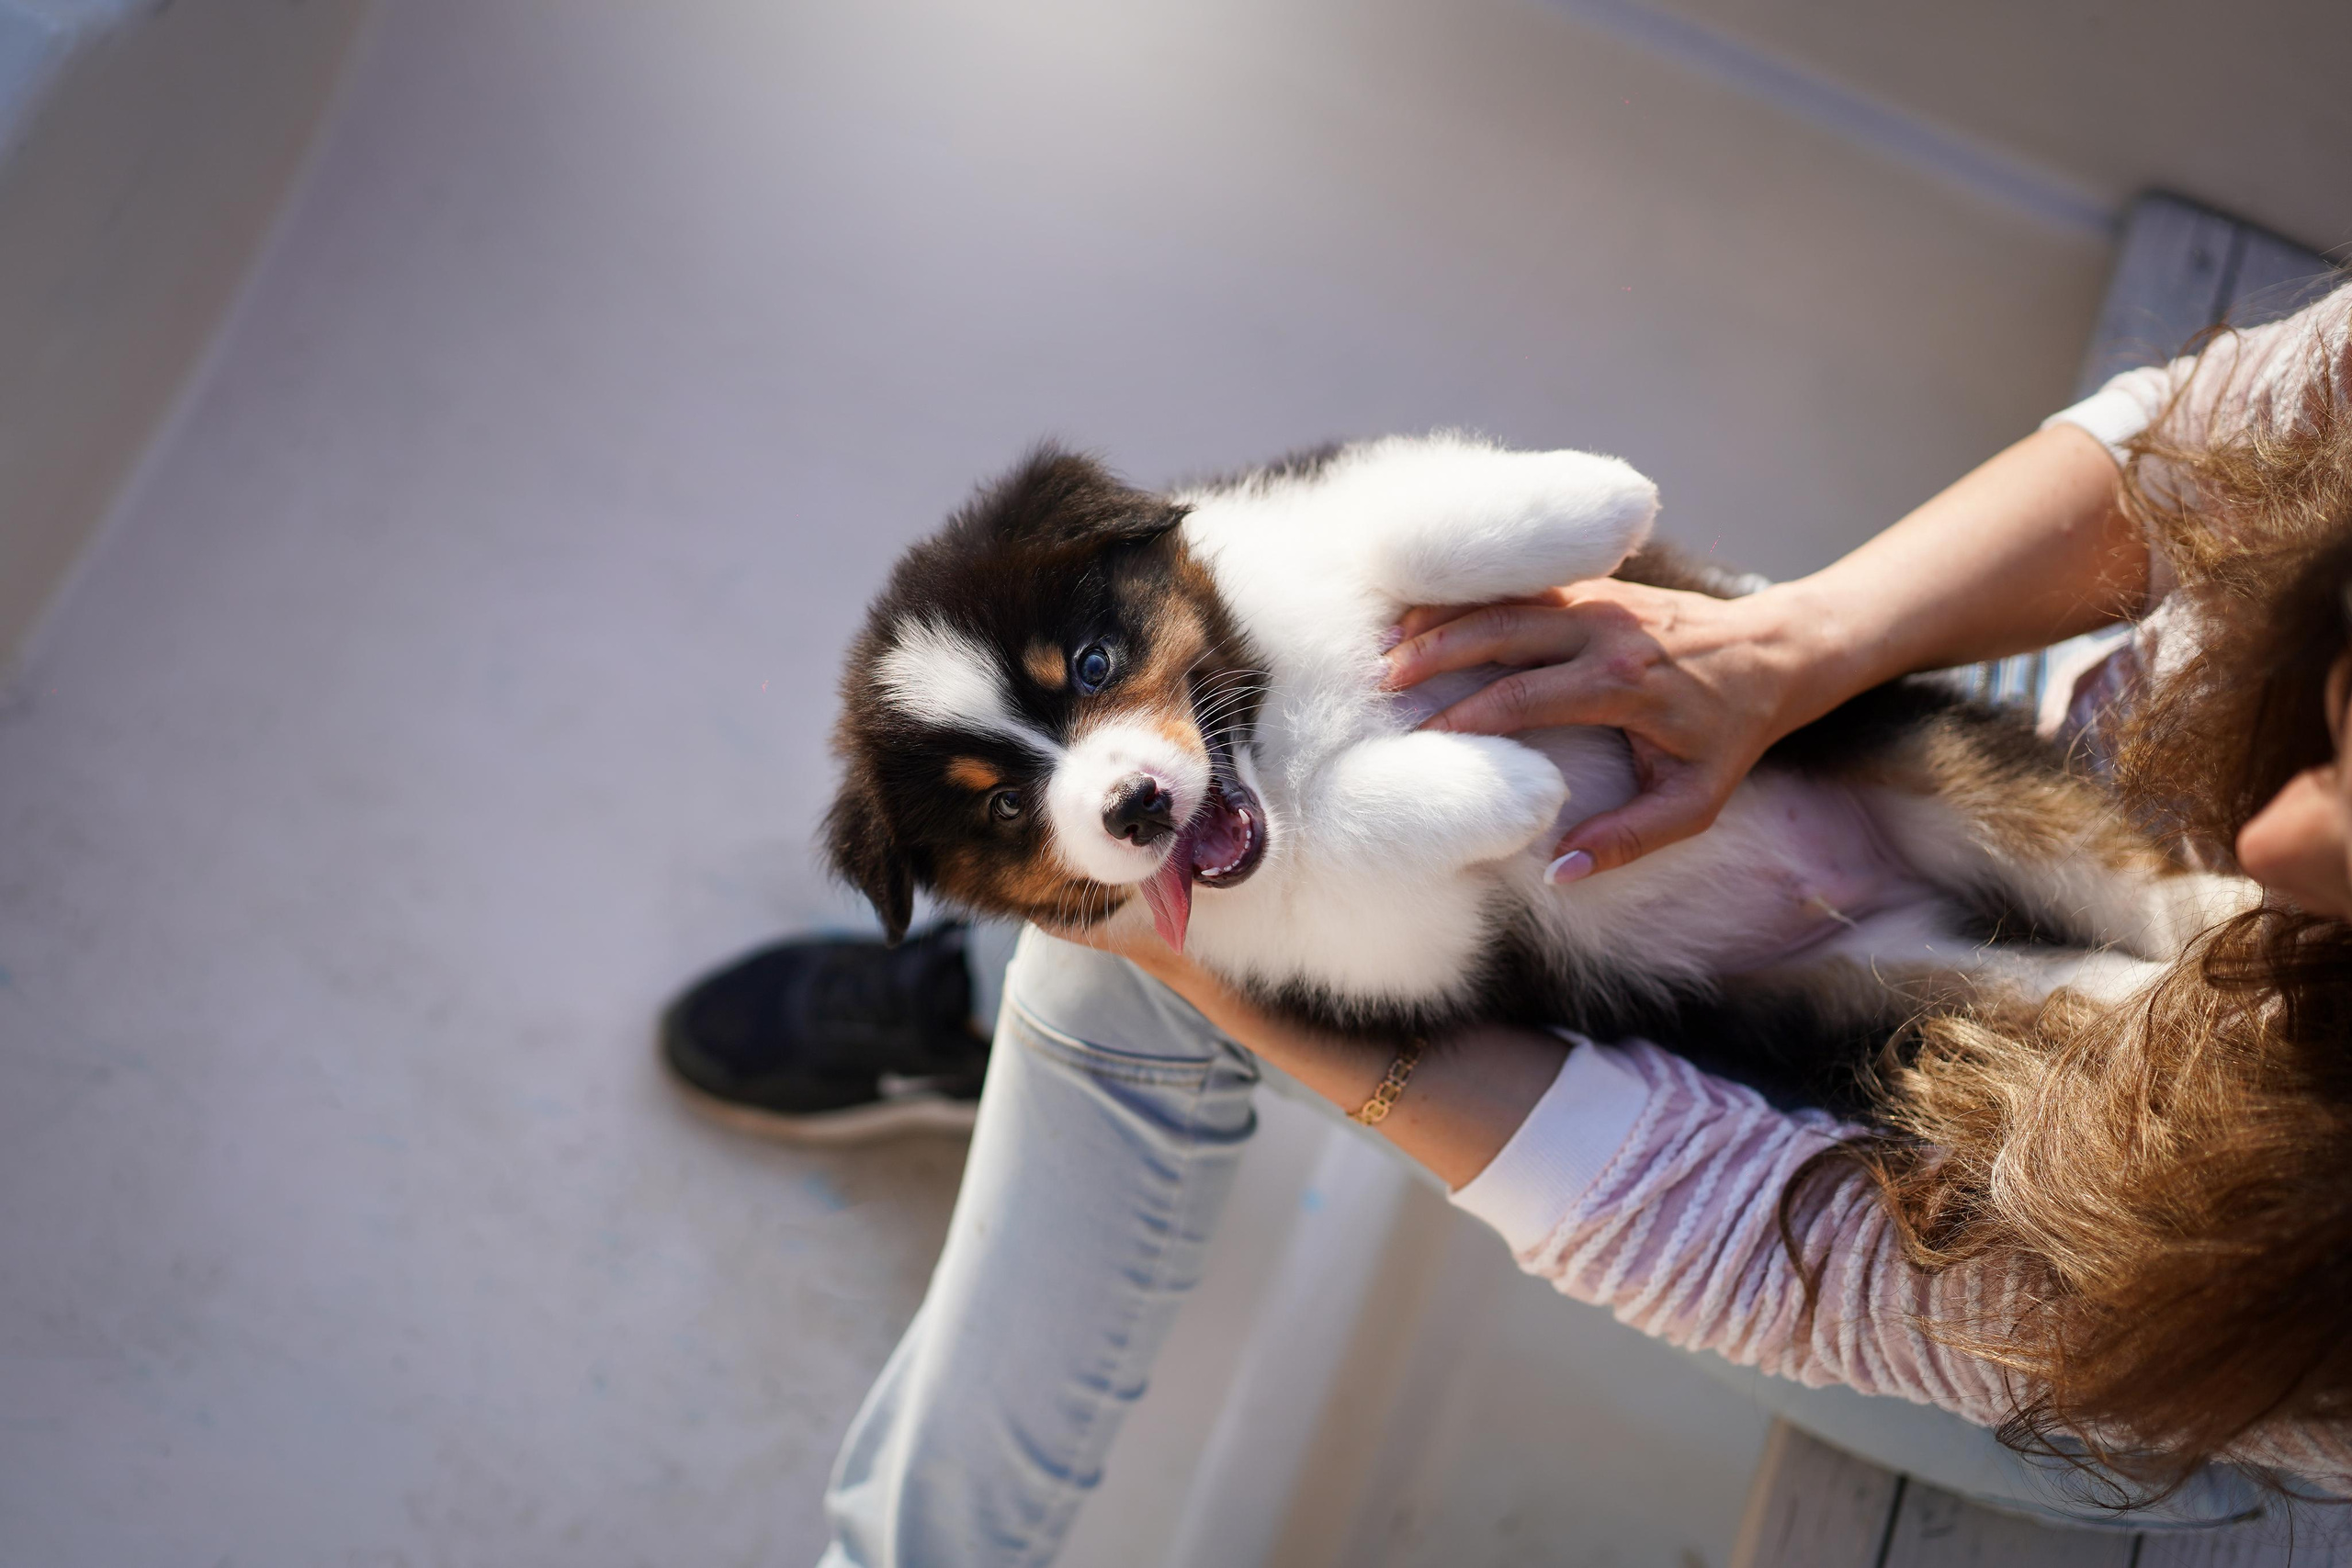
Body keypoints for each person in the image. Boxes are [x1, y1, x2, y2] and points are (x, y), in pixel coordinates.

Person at [679, 280, 2352, 1565]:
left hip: (2116, 1322)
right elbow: (2207, 431)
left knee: (1123, 959)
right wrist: (1800, 647)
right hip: (1959, 772)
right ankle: (1012, 994)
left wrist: (1221, 979)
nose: (2277, 819)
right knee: (1167, 871)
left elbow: (1751, 1244)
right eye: (2340, 724)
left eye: (2335, 819)